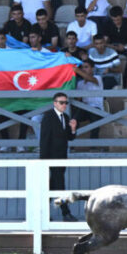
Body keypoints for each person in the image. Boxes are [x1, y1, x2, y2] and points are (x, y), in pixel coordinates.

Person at [40, 92, 78, 222]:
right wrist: (43, 161)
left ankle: (43, 212)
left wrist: (73, 129)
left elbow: (69, 137)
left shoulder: (66, 117)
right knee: (60, 185)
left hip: (62, 157)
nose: (64, 105)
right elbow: (44, 139)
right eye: (62, 102)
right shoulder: (48, 117)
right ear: (55, 103)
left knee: (52, 186)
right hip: (50, 157)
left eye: (66, 103)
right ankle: (65, 212)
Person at [103, 5, 127, 88]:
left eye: (118, 19)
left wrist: (125, 46)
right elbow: (104, 42)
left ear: (122, 16)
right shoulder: (108, 24)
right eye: (114, 20)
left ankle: (125, 79)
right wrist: (112, 46)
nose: (116, 22)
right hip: (113, 46)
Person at [72, 59, 103, 142]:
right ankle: (71, 145)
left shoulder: (98, 78)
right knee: (73, 119)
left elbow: (89, 78)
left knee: (94, 119)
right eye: (82, 67)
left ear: (92, 68)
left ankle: (93, 147)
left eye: (86, 67)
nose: (83, 69)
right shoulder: (80, 83)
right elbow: (78, 100)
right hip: (84, 109)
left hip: (97, 109)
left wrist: (77, 70)